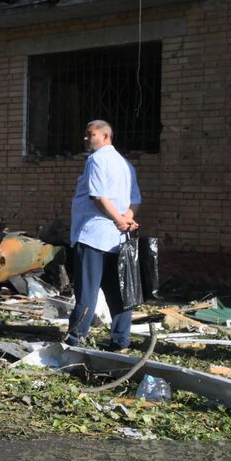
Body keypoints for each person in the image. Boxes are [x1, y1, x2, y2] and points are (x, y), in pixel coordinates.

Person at [66, 120, 142, 351]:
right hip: (117, 239)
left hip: (93, 236)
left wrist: (120, 220)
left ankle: (74, 340)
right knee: (117, 292)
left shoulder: (96, 160)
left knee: (87, 293)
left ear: (106, 136)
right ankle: (121, 340)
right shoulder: (125, 164)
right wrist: (126, 219)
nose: (87, 139)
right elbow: (135, 200)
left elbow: (98, 197)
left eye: (91, 135)